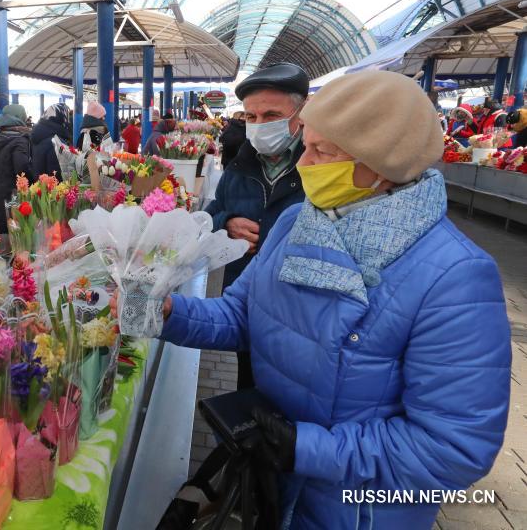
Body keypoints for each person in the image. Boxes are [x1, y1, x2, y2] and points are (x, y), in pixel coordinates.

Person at [125, 70, 510, 529]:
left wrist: (304, 448)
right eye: (306, 144)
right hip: (271, 485)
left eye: (323, 151)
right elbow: (242, 315)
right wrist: (167, 310)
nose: (304, 163)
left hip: (355, 510)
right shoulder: (295, 222)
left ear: (381, 163)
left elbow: (453, 449)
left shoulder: (455, 277)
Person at [204, 63, 309, 389]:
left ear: (301, 114)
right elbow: (213, 213)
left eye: (271, 116)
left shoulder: (319, 162)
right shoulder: (240, 164)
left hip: (300, 315)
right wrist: (227, 223)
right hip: (246, 301)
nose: (259, 126)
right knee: (247, 386)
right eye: (251, 117)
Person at [0, 104, 32, 235]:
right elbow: (22, 171)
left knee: (0, 239)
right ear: (20, 117)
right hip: (11, 199)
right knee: (14, 239)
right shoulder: (19, 141)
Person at [30, 102, 71, 180]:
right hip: (53, 189)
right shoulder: (56, 141)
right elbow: (56, 172)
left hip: (39, 187)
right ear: (62, 117)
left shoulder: (38, 136)